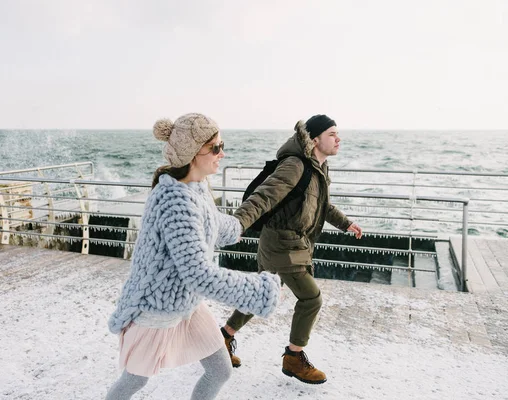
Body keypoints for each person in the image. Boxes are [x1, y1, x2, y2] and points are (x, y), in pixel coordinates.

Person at [106, 113, 281, 400]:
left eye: (221, 144)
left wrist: (239, 224)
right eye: (214, 147)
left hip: (186, 303)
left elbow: (211, 222)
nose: (221, 152)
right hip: (157, 309)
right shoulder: (176, 201)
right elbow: (199, 274)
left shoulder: (195, 188)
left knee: (220, 370)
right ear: (191, 153)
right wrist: (261, 291)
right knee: (134, 381)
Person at [220, 114, 363, 385]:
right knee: (311, 298)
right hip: (283, 245)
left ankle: (223, 338)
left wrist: (347, 223)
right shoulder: (296, 165)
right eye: (332, 133)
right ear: (315, 139)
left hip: (286, 243)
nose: (338, 138)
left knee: (263, 295)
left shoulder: (318, 168)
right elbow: (263, 196)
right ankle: (293, 357)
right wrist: (237, 223)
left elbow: (322, 206)